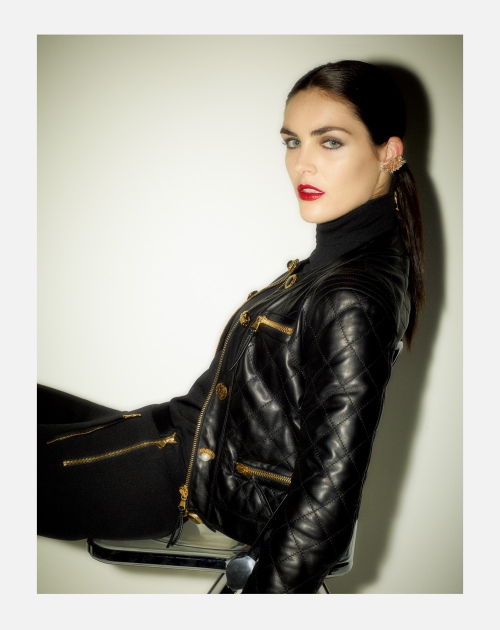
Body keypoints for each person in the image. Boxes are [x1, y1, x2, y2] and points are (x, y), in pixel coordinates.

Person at [38, 60, 425, 594]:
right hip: (182, 433)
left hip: (183, 477)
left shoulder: (351, 295)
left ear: (388, 153)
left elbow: (329, 501)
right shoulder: (341, 263)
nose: (302, 164)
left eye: (330, 142)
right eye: (292, 142)